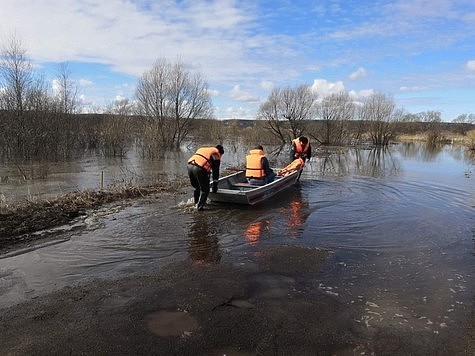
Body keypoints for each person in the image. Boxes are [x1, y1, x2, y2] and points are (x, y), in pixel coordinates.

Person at [187, 144, 224, 210]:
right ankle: (199, 208)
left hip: (189, 166)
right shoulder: (216, 154)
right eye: (221, 156)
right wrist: (215, 186)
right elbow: (216, 172)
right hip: (199, 168)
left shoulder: (204, 149)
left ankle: (196, 203)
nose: (220, 157)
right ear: (220, 152)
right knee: (205, 190)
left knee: (197, 187)